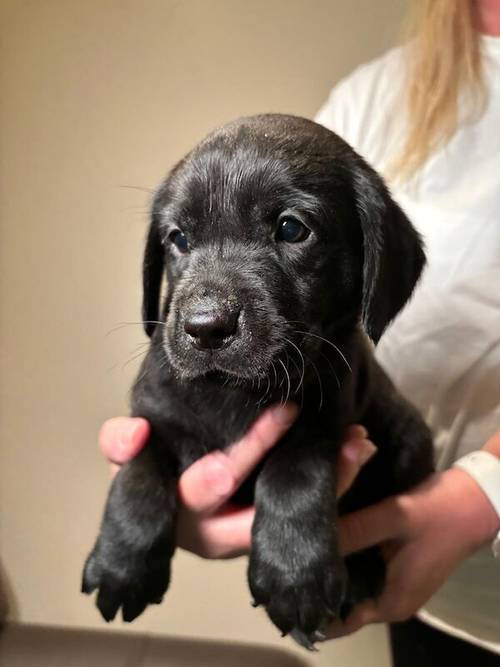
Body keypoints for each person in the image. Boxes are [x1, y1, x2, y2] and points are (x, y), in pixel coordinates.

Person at [98, 0, 500, 664]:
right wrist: (147, 498)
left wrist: (481, 492)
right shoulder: (375, 95)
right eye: (180, 239)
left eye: (289, 230)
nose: (203, 310)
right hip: (433, 605)